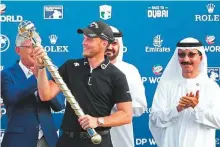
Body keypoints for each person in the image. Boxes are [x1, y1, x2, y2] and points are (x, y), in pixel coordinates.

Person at [33, 21, 132, 147]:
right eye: (84, 38)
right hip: (68, 141)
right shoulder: (70, 67)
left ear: (104, 43)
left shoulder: (116, 76)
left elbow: (126, 115)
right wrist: (41, 68)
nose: (84, 42)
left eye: (90, 39)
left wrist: (98, 121)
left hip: (98, 141)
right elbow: (45, 95)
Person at [149, 37, 220, 147]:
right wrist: (177, 109)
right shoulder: (166, 85)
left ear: (200, 57)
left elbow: (218, 121)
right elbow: (154, 119)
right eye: (181, 55)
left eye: (191, 54)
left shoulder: (211, 87)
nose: (186, 59)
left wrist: (197, 107)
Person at [1, 31, 65, 147]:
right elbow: (11, 97)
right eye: (29, 47)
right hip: (19, 140)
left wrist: (43, 79)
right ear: (18, 50)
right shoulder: (6, 74)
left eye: (37, 46)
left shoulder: (49, 73)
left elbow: (59, 106)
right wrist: (36, 78)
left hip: (48, 139)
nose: (35, 50)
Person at [105, 26, 147, 147]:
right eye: (106, 43)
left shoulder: (130, 71)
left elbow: (140, 106)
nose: (109, 47)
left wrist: (117, 104)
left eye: (114, 43)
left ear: (120, 45)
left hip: (121, 137)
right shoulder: (86, 70)